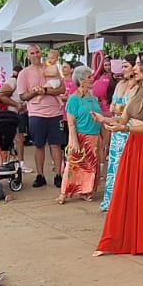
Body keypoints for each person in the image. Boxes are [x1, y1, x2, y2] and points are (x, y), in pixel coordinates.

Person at [97, 53, 143, 256]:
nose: (134, 68)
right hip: (133, 144)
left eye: (138, 64)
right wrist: (104, 120)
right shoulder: (136, 90)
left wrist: (125, 129)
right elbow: (123, 119)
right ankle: (121, 239)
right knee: (125, 191)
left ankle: (142, 241)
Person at [16, 43, 67, 188]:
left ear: (41, 53)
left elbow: (62, 88)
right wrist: (35, 92)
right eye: (32, 53)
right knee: (39, 145)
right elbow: (23, 96)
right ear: (28, 56)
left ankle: (58, 174)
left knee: (56, 145)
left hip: (55, 112)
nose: (35, 55)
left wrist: (45, 91)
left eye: (37, 52)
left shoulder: (51, 68)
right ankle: (40, 175)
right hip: (36, 114)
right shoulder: (24, 74)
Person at [59, 74, 102, 202]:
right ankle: (64, 192)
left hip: (94, 135)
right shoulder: (74, 99)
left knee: (91, 165)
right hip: (80, 135)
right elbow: (71, 123)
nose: (92, 79)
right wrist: (75, 141)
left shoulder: (93, 98)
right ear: (81, 80)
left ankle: (86, 190)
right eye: (88, 77)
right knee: (74, 164)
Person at [97, 65, 134, 213]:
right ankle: (111, 199)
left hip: (130, 128)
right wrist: (116, 108)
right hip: (116, 126)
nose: (122, 69)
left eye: (126, 66)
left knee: (127, 166)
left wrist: (120, 109)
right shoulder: (120, 84)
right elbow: (113, 106)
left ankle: (125, 201)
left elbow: (131, 111)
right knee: (114, 165)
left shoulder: (138, 88)